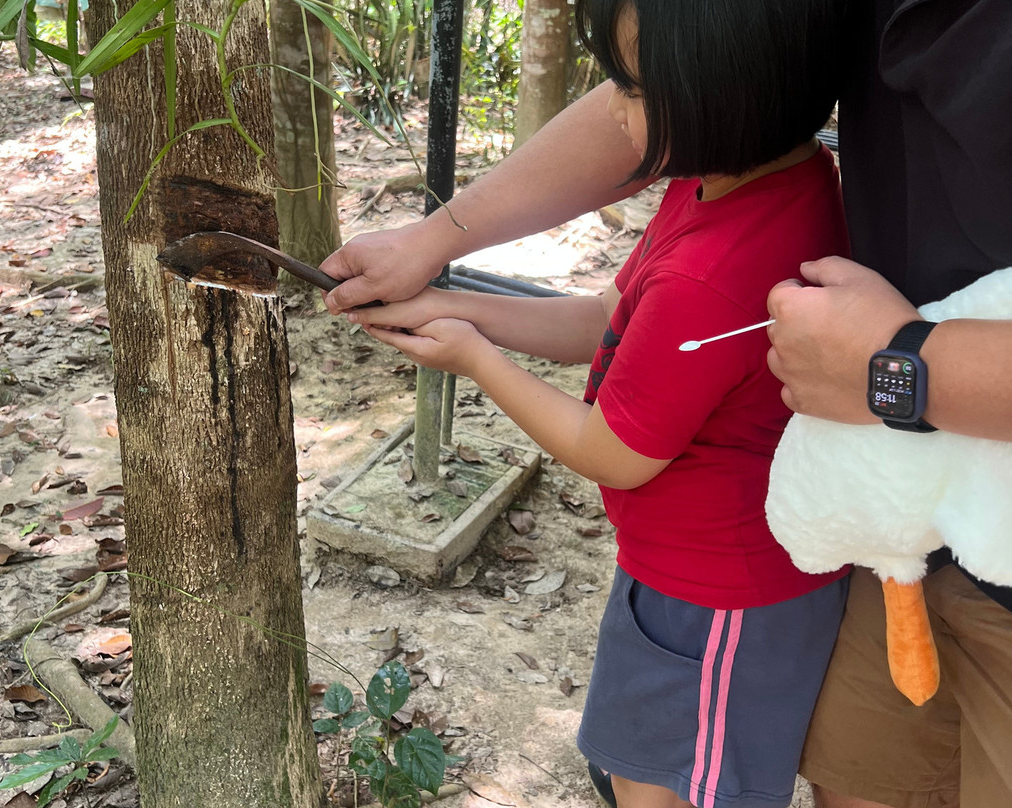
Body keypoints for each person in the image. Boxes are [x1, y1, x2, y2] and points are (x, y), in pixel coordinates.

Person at [321, 0, 1012, 805]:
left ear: (720, 96)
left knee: (664, 786)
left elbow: (611, 451)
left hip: (718, 597)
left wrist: (474, 359)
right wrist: (456, 301)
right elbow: (609, 322)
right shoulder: (749, 184)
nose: (613, 109)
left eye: (632, 88)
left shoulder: (709, 273)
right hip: (729, 565)